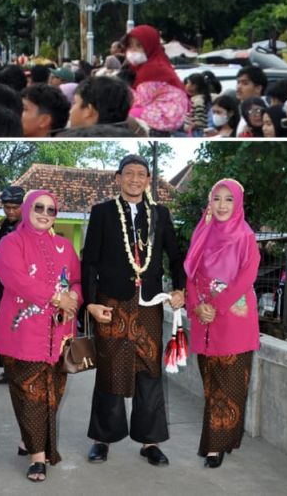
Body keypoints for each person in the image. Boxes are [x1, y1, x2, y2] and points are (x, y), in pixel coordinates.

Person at [81, 154, 185, 467]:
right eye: (129, 173)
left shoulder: (159, 214)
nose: (135, 179)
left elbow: (176, 257)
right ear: (118, 177)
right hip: (111, 303)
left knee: (149, 370)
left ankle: (149, 442)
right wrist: (90, 302)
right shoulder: (102, 213)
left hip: (150, 305)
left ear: (149, 180)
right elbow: (90, 262)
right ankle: (103, 439)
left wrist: (180, 289)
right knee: (110, 367)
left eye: (142, 174)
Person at [0, 189, 81, 482]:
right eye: (38, 207)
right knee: (31, 395)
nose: (44, 213)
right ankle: (37, 457)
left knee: (52, 396)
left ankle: (28, 439)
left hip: (59, 336)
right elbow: (15, 278)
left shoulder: (65, 247)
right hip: (23, 335)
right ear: (28, 209)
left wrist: (73, 298)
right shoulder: (11, 242)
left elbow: (77, 281)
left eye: (51, 210)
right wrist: (57, 298)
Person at [185, 179, 260, 469]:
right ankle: (224, 438)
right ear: (210, 201)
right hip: (204, 321)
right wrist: (197, 306)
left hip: (233, 320)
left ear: (238, 203)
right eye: (217, 198)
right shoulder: (201, 233)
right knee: (211, 384)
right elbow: (190, 274)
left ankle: (215, 447)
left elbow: (246, 278)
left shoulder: (245, 237)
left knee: (229, 386)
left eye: (229, 199)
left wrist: (214, 306)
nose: (222, 205)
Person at [0, 185, 26, 386]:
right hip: (5, 286)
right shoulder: (2, 226)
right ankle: (6, 371)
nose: (10, 211)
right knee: (4, 327)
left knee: (21, 327)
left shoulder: (30, 227)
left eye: (14, 207)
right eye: (7, 207)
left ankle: (21, 371)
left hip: (25, 288)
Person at [122, 25, 189, 134]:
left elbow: (141, 101)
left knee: (126, 116)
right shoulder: (153, 64)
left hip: (167, 116)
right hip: (170, 114)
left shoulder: (151, 69)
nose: (133, 50)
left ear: (150, 46)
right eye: (130, 45)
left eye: (139, 45)